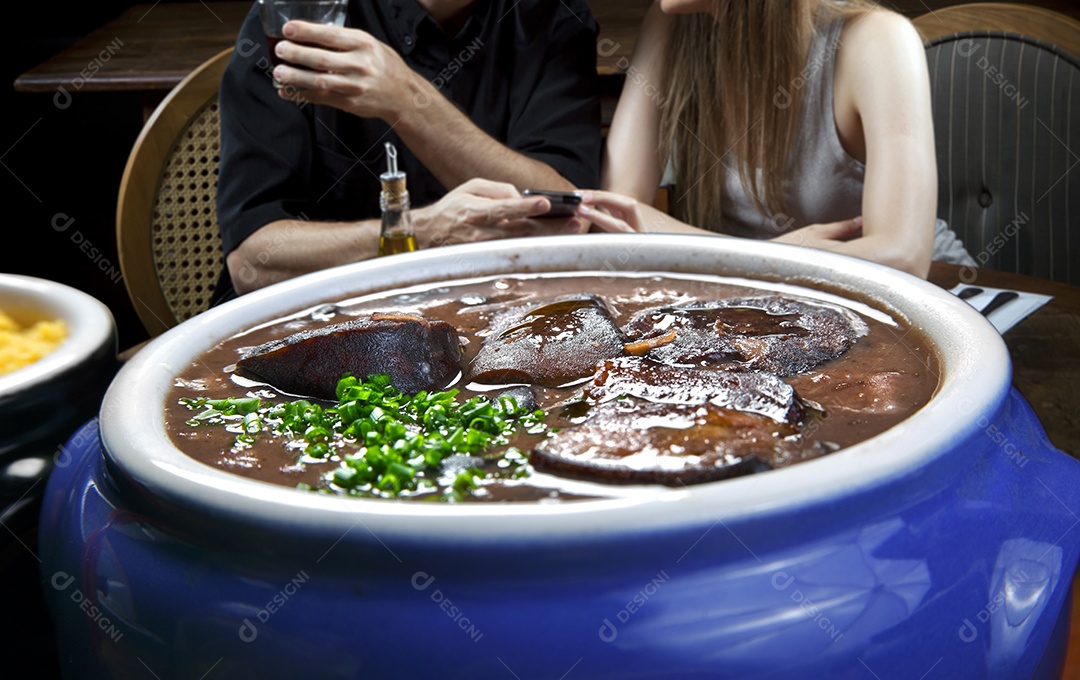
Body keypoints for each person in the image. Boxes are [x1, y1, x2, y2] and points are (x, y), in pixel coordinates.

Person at [214, 0, 601, 302]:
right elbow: (252, 262)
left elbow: (566, 219)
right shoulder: (303, 14)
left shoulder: (553, 18)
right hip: (313, 325)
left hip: (489, 320)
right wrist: (421, 234)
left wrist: (407, 100)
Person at [576, 0, 976, 279]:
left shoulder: (877, 37)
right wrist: (782, 258)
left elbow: (903, 257)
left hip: (927, 300)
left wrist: (759, 262)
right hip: (772, 305)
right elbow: (612, 217)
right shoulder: (672, 26)